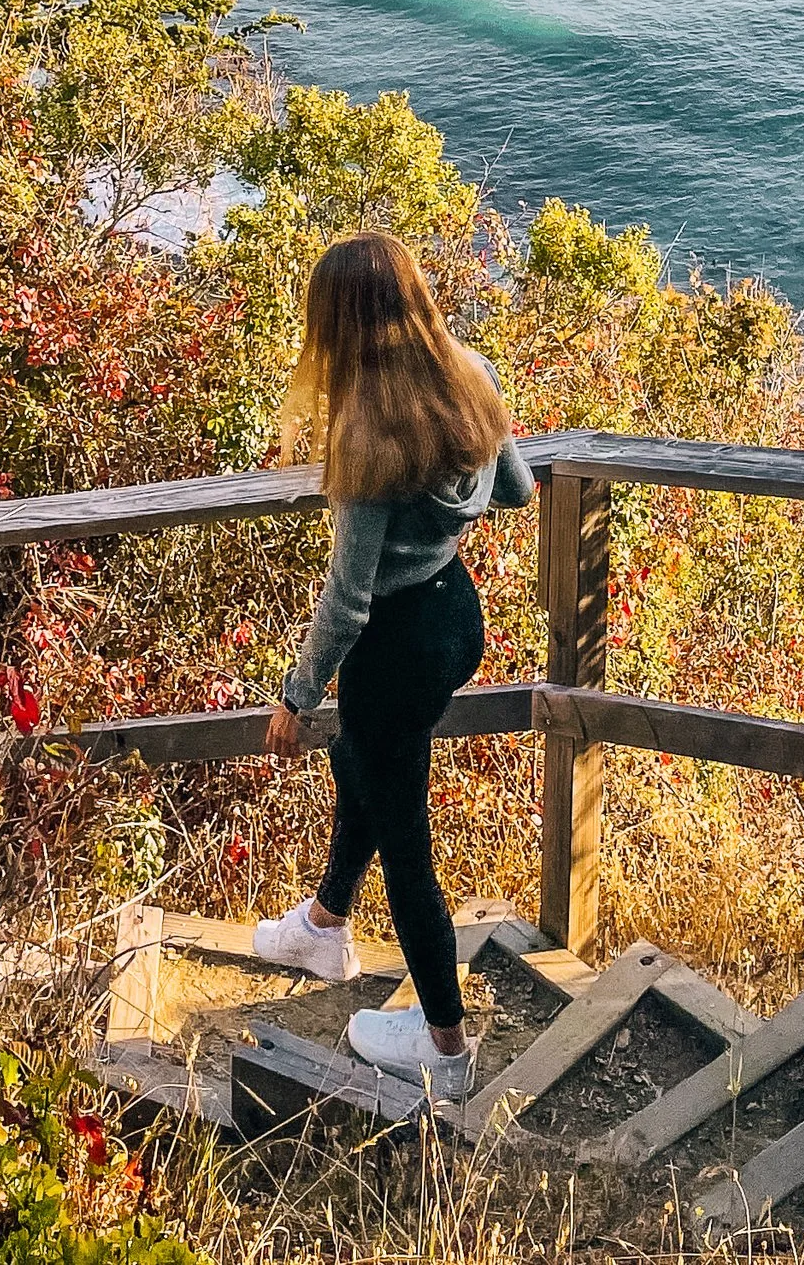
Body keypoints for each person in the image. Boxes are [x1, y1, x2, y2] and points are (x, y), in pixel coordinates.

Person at [252, 232, 535, 1096]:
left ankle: (444, 1050)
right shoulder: (472, 376)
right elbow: (519, 489)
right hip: (456, 616)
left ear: (340, 324)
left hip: (393, 647)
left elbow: (347, 599)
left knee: (406, 839)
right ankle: (325, 925)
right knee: (365, 768)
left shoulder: (367, 431)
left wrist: (295, 697)